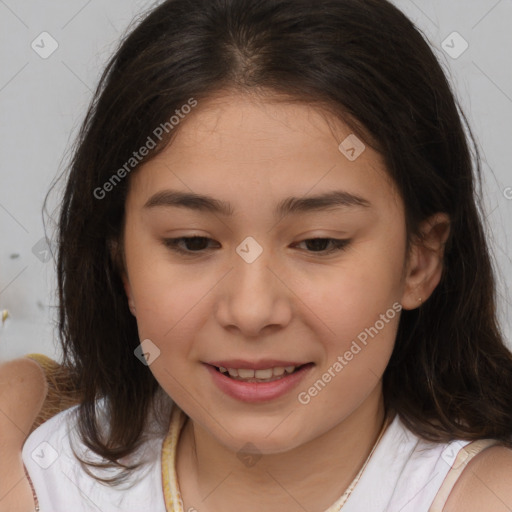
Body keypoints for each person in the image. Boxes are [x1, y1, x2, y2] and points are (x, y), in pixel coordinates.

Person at [2, 0, 512, 510]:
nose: (250, 311)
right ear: (123, 266)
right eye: (192, 242)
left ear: (418, 262)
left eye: (319, 243)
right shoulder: (40, 478)